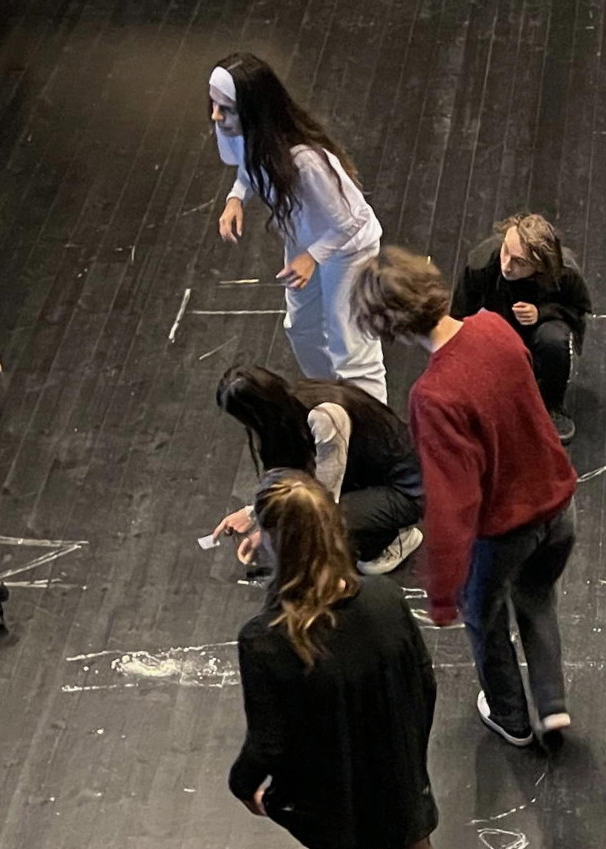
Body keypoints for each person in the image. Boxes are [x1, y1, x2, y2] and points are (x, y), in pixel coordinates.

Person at [231, 470, 495, 849]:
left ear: (277, 542)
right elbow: (424, 683)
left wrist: (243, 785)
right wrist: (410, 754)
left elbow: (268, 743)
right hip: (394, 768)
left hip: (327, 793)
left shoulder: (264, 639)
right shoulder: (384, 599)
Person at [351, 247, 579, 746]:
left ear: (389, 325)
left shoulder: (433, 396)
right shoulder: (494, 327)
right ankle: (552, 705)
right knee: (537, 595)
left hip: (507, 530)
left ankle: (511, 717)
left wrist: (443, 591)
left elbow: (452, 502)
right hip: (561, 505)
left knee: (484, 617)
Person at [209, 55, 385, 400]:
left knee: (351, 347)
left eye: (226, 109)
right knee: (302, 329)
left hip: (349, 249)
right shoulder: (246, 133)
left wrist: (312, 257)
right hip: (306, 240)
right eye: (214, 105)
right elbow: (249, 165)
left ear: (253, 110)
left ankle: (373, 420)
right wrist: (236, 197)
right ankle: (332, 399)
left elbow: (351, 223)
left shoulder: (306, 162)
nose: (216, 115)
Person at [211, 365, 424, 574]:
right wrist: (254, 514)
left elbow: (321, 500)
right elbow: (298, 475)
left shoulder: (323, 417)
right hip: (369, 473)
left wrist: (270, 534)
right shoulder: (291, 408)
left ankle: (395, 541)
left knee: (326, 521)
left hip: (409, 490)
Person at [451, 213, 592, 442]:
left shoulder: (564, 272)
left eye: (520, 262)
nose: (507, 266)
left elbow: (578, 309)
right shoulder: (483, 261)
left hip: (544, 325)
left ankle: (551, 405)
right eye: (506, 250)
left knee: (553, 342)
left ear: (540, 266)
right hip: (499, 322)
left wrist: (541, 312)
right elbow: (459, 314)